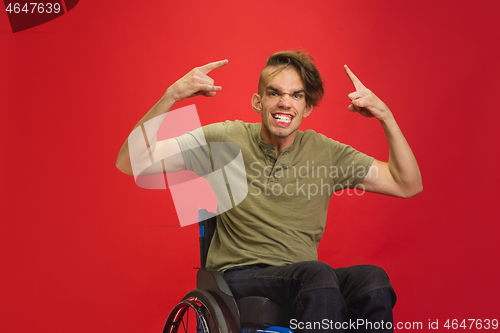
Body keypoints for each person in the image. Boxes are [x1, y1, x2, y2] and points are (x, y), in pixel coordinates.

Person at [116, 51, 422, 332]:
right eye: (274, 93)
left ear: (308, 106)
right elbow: (133, 162)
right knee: (318, 275)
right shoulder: (226, 138)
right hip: (239, 276)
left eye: (296, 95)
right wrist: (172, 95)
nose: (284, 103)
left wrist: (386, 116)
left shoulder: (326, 152)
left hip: (304, 278)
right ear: (258, 101)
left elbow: (406, 183)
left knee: (372, 280)